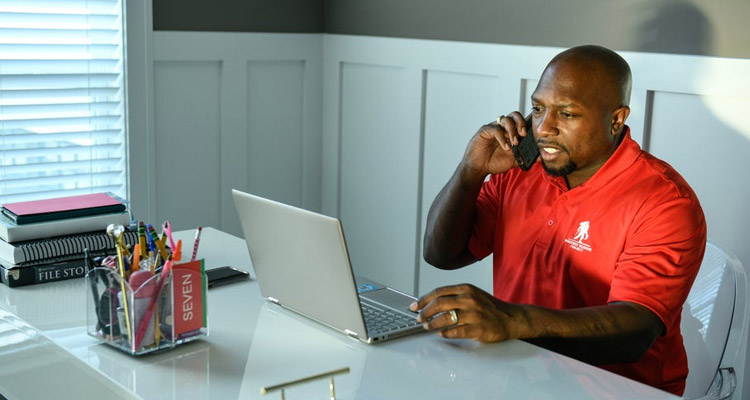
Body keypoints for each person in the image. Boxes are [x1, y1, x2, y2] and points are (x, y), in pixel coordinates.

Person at [413, 45, 706, 396]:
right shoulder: (521, 170)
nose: (544, 128)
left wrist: (513, 321)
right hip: (515, 374)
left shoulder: (664, 202)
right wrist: (471, 169)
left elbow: (635, 331)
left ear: (616, 119)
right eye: (538, 108)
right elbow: (441, 254)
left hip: (619, 390)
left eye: (566, 114)